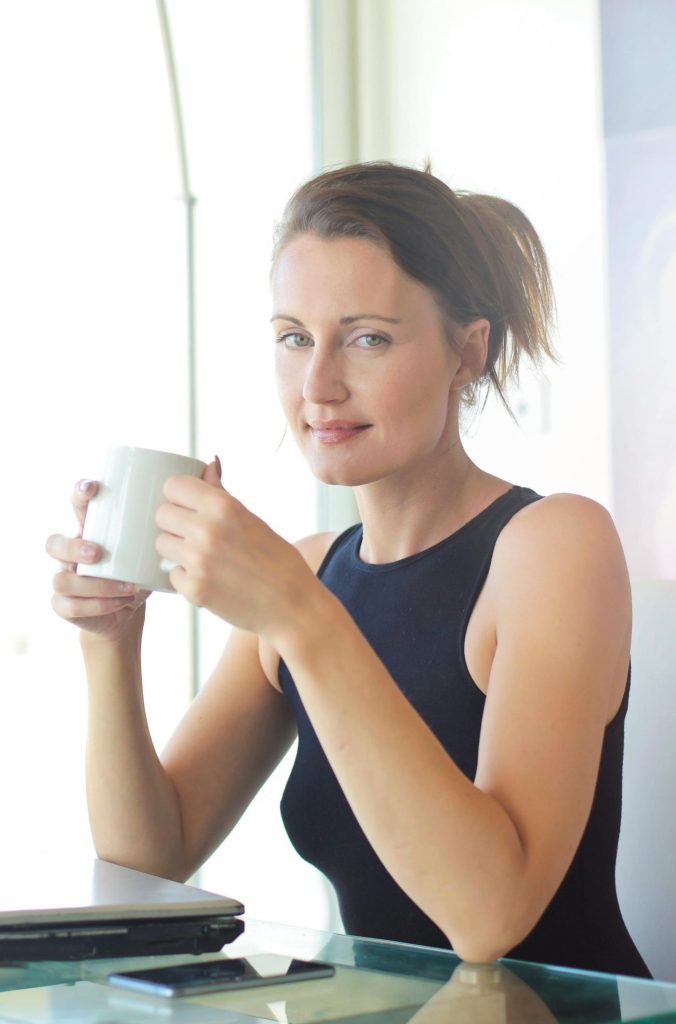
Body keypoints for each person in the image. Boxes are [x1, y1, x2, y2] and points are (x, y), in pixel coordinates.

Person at [46, 161, 649, 977]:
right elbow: (148, 859)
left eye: (367, 337)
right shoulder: (311, 572)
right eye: (295, 338)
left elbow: (489, 915)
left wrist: (297, 614)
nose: (318, 385)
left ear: (467, 352)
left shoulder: (552, 545)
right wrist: (109, 646)